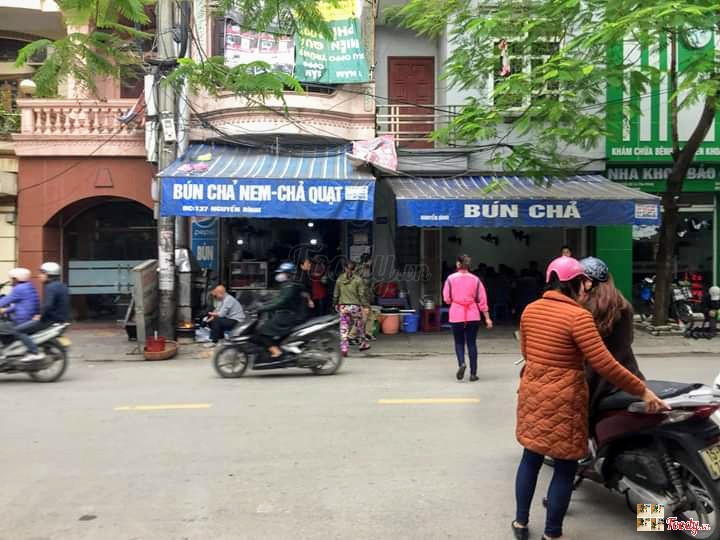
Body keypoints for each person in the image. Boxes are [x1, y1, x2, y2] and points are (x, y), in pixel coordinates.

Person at [513, 256, 667, 540]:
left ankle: (520, 524)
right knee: (564, 467)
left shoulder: (530, 310)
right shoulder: (580, 316)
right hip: (571, 397)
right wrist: (643, 390)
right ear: (578, 284)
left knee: (530, 458)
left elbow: (526, 352)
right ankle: (552, 534)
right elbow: (606, 364)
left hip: (533, 393)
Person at [580, 257, 645, 417]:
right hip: (627, 377)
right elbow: (628, 340)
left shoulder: (582, 309)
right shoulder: (622, 304)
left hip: (594, 383)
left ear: (588, 283)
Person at [442, 254, 493, 382]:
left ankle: (462, 363)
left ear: (458, 264)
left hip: (456, 314)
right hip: (473, 314)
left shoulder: (450, 279)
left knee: (459, 342)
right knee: (471, 343)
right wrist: (487, 318)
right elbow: (482, 300)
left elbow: (446, 299)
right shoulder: (476, 280)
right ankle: (473, 374)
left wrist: (455, 301)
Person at [254, 262, 306, 358]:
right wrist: (264, 304)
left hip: (287, 316)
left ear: (289, 274)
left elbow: (281, 301)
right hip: (285, 314)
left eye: (282, 273)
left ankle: (277, 352)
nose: (279, 275)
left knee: (261, 332)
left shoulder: (290, 286)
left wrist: (263, 308)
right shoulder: (287, 285)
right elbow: (277, 299)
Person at [332, 260, 370, 357]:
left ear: (344, 268)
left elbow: (336, 294)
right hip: (355, 307)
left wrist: (335, 303)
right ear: (355, 268)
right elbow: (361, 295)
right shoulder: (358, 280)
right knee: (359, 324)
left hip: (343, 306)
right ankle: (362, 343)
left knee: (344, 328)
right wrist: (366, 306)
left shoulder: (340, 279)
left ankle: (344, 348)